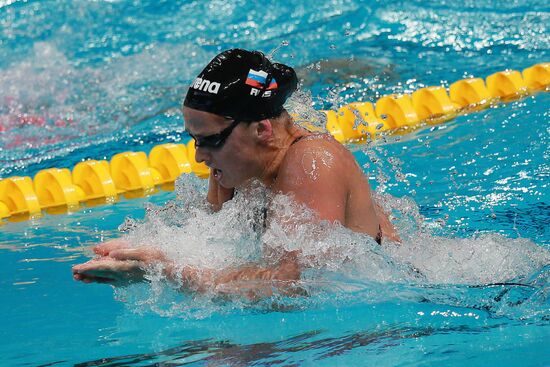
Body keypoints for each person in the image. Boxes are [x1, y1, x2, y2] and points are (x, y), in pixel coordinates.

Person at [72, 49, 398, 297]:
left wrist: (169, 272)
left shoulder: (313, 160)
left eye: (211, 140)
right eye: (195, 141)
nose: (200, 156)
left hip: (389, 303)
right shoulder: (234, 172)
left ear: (262, 129)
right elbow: (209, 242)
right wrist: (141, 252)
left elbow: (300, 284)